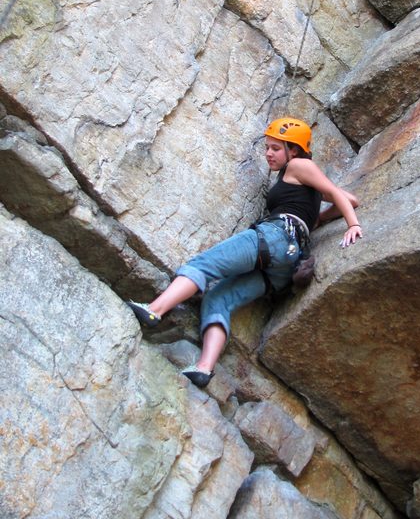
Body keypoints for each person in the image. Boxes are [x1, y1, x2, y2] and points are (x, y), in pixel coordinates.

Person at [127, 116, 362, 387]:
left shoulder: (299, 165)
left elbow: (343, 198)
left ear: (293, 150)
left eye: (275, 148)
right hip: (287, 264)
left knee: (204, 265)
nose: (268, 154)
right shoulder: (305, 183)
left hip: (274, 236)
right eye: (267, 148)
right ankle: (204, 368)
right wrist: (315, 219)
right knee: (218, 297)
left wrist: (352, 224)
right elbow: (350, 198)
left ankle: (155, 310)